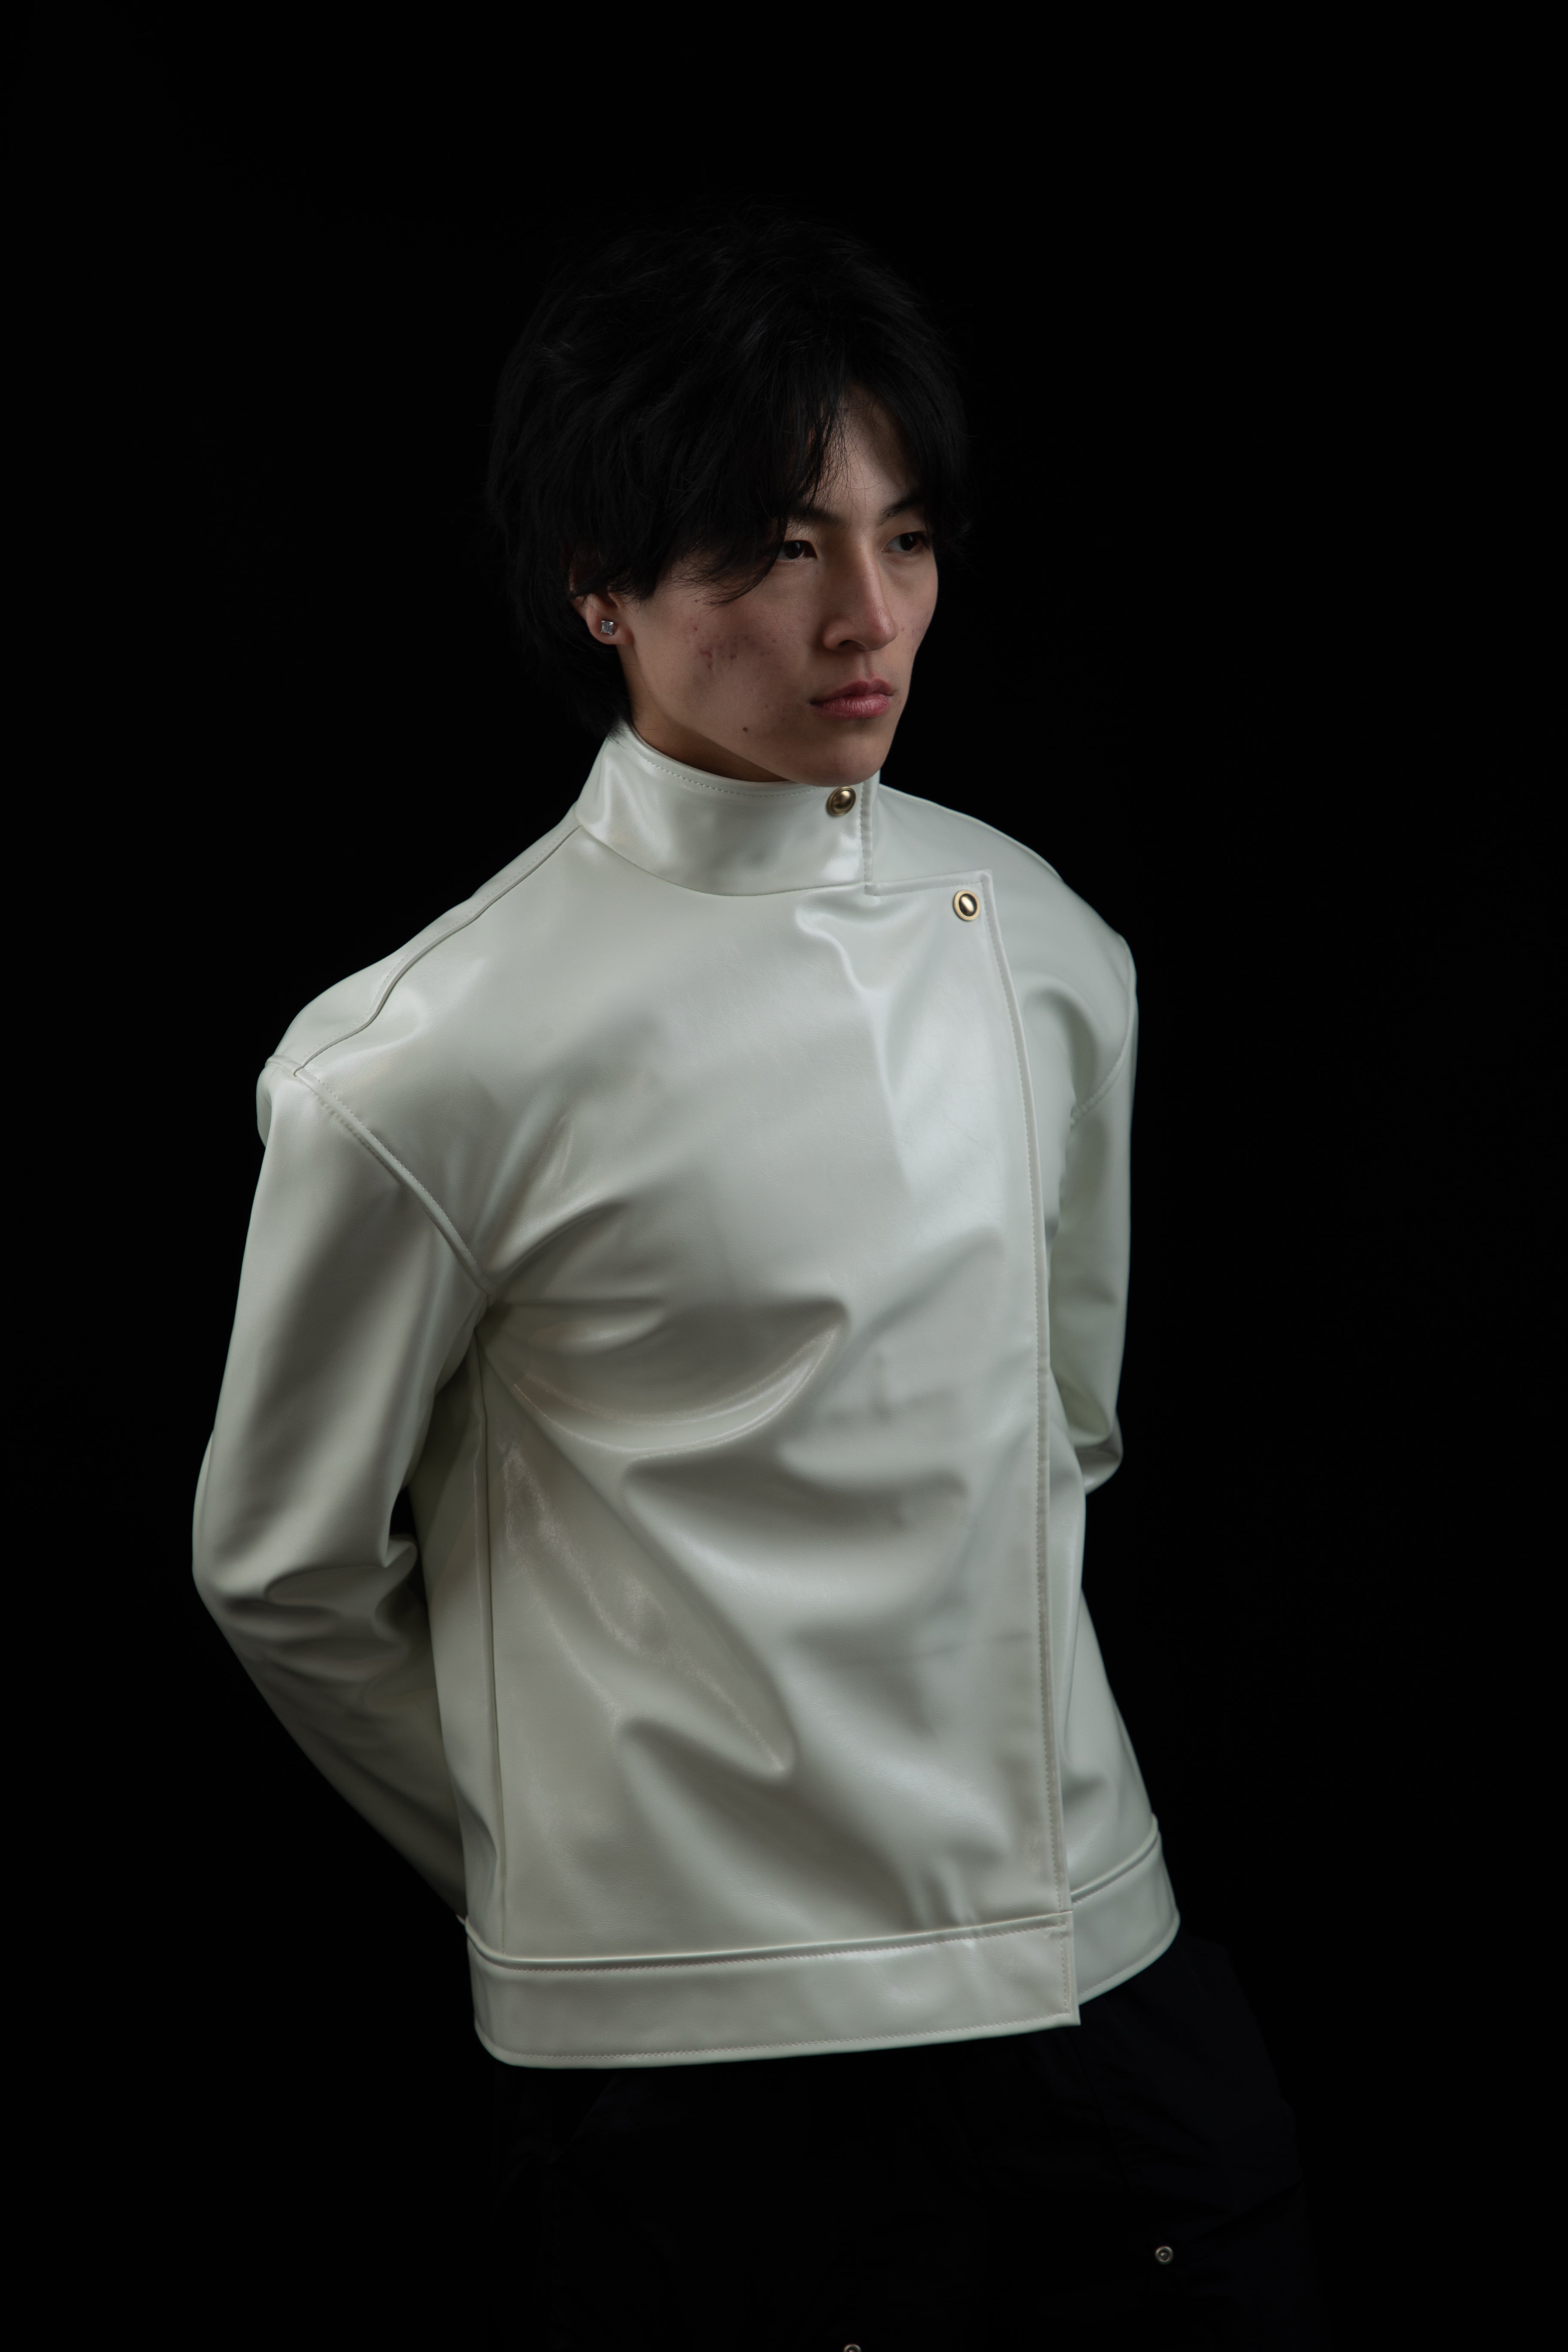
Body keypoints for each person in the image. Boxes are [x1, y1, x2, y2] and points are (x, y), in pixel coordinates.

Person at [193, 204, 1329, 2347]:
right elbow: (283, 1570)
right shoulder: (422, 1061)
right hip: (694, 2047)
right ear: (599, 586)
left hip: (1091, 1952)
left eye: (904, 539)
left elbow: (1068, 1428)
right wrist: (571, 1866)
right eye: (777, 550)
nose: (865, 617)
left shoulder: (1049, 947)